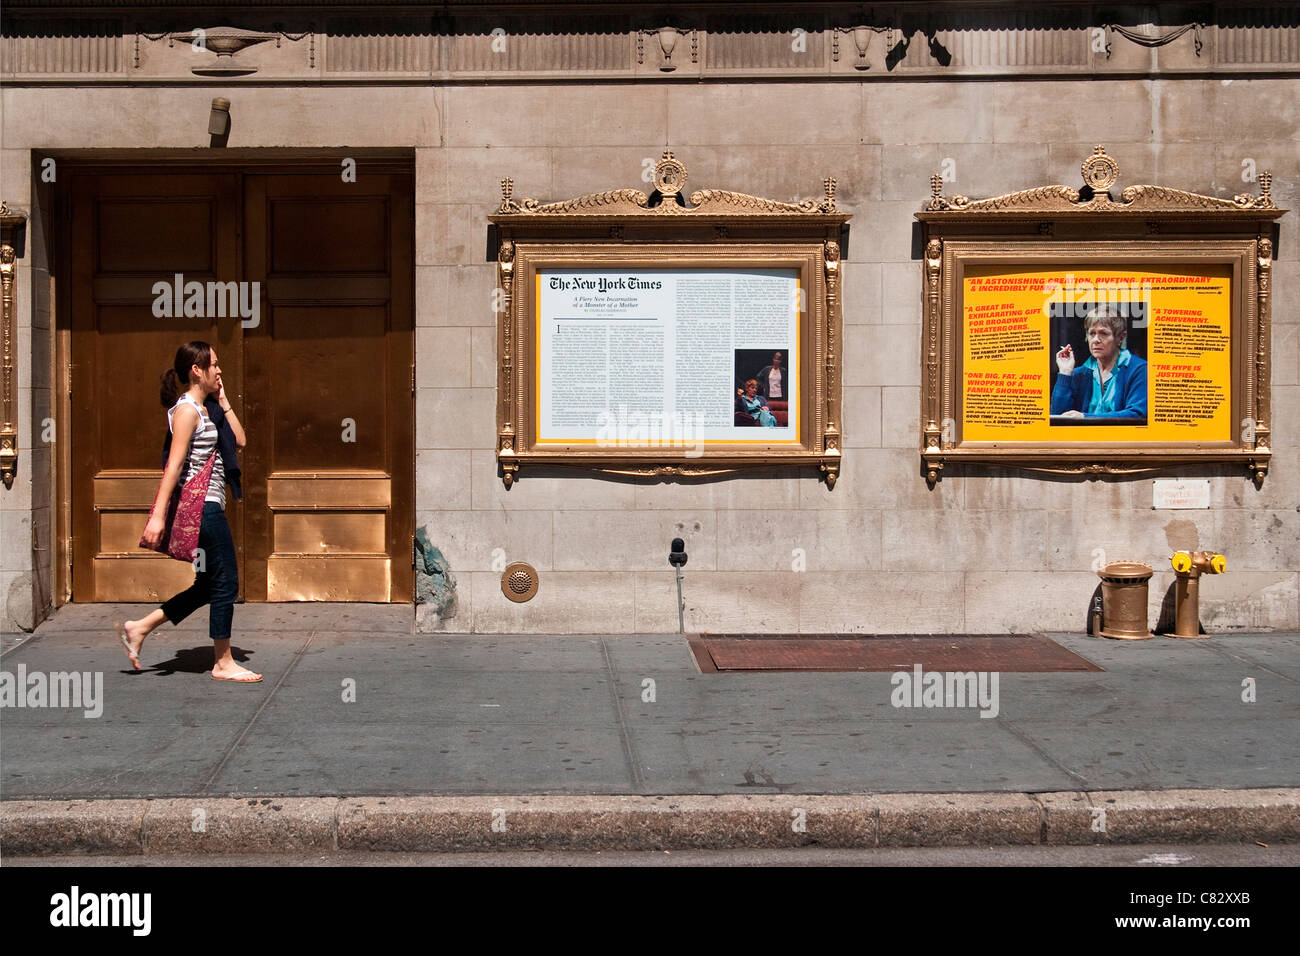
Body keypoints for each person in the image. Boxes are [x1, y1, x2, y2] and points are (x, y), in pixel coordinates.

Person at [120, 341, 262, 682]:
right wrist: (157, 515)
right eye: (214, 365)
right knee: (226, 581)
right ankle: (223, 662)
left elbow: (240, 441)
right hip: (203, 511)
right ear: (196, 370)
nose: (219, 370)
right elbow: (174, 466)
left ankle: (140, 627)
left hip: (209, 507)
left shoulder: (207, 408)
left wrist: (224, 400)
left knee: (207, 584)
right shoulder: (186, 411)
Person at [1051, 305, 1148, 420]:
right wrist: (1065, 372)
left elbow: (1137, 414)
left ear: (1121, 338)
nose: (1096, 340)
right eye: (1092, 333)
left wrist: (1085, 417)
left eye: (1104, 333)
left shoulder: (1139, 369)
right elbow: (1058, 416)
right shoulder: (1079, 374)